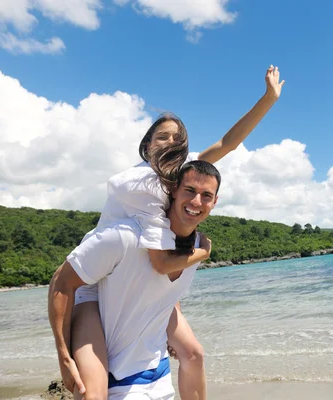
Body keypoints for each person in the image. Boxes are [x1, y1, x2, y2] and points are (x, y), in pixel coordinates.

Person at [68, 65, 285, 400]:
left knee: (194, 353)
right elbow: (160, 260)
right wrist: (204, 251)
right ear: (147, 145)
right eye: (162, 136)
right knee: (94, 392)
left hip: (144, 283)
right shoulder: (138, 184)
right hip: (97, 286)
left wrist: (268, 99)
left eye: (178, 139)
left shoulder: (182, 176)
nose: (172, 141)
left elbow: (228, 142)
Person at [49, 160, 221, 400]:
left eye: (206, 195)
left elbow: (168, 289)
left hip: (153, 371)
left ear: (215, 202)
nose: (196, 202)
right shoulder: (125, 236)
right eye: (189, 190)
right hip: (91, 307)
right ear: (172, 191)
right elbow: (61, 281)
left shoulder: (197, 245)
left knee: (194, 354)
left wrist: (169, 327)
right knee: (93, 394)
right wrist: (65, 356)